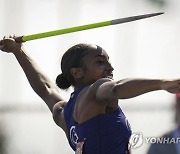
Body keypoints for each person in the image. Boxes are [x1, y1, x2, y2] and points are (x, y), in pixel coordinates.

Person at [0, 36, 180, 154]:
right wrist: (162, 83)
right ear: (78, 73)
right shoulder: (98, 90)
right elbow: (116, 88)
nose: (110, 67)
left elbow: (46, 88)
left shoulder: (62, 112)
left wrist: (18, 51)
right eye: (100, 62)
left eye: (109, 61)